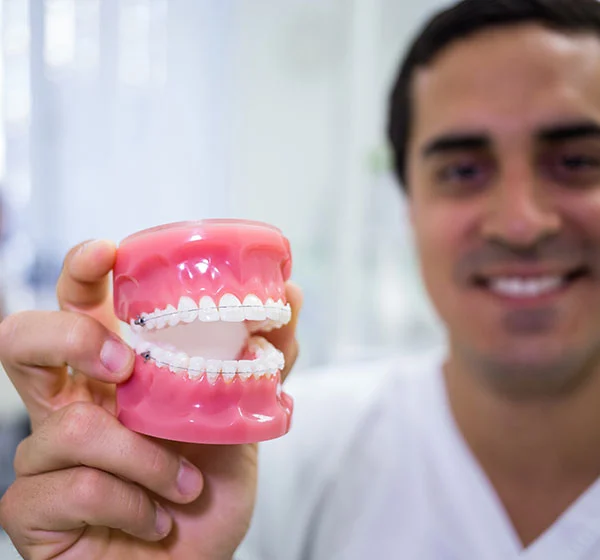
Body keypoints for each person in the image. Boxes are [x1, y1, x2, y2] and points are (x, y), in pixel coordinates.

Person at [3, 0, 600, 557]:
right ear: (409, 203)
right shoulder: (247, 465)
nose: (521, 223)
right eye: (464, 170)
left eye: (578, 162)